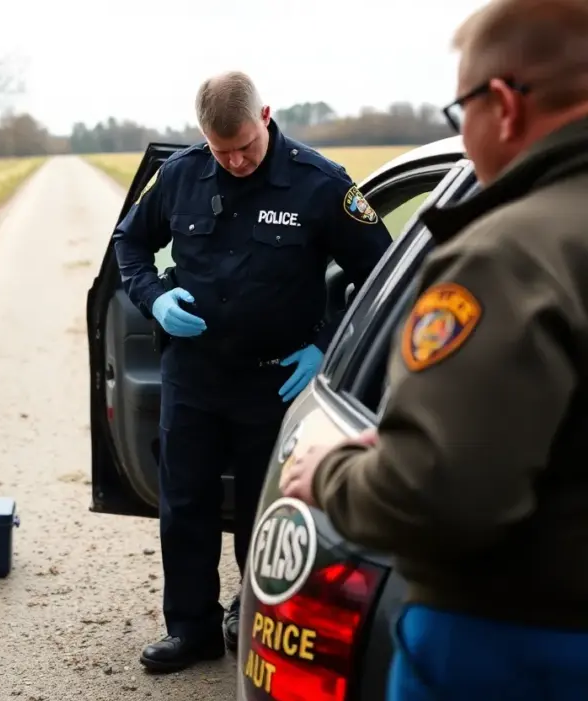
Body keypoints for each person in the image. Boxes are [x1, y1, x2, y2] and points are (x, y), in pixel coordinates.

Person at [279, 0, 588, 698]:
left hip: (515, 647)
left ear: (503, 104)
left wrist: (331, 475)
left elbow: (438, 497)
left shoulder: (507, 253)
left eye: (461, 112)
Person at [112, 70, 393, 672]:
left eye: (245, 145)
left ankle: (255, 619)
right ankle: (191, 630)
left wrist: (326, 345)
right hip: (193, 376)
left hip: (276, 380)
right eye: (222, 150)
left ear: (266, 116)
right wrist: (154, 297)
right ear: (203, 138)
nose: (236, 160)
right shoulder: (182, 175)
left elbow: (383, 276)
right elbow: (128, 243)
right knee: (183, 505)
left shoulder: (321, 185)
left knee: (266, 514)